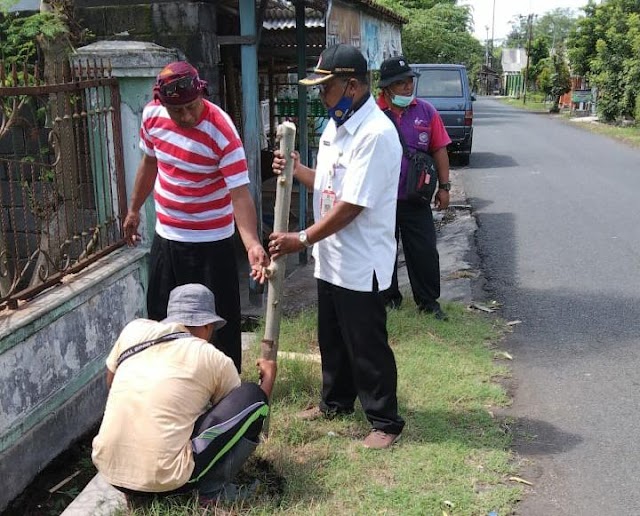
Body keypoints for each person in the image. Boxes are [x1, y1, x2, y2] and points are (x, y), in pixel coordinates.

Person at [270, 44, 405, 450]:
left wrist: (303, 237)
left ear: (351, 86)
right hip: (332, 255)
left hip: (361, 258)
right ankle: (335, 402)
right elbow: (331, 186)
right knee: (332, 336)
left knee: (366, 343)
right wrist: (297, 171)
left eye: (325, 88)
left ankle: (385, 421)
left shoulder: (376, 134)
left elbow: (353, 205)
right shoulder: (336, 126)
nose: (320, 96)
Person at [123, 61, 269, 372]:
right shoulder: (151, 116)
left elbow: (239, 195)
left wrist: (252, 244)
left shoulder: (221, 129)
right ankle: (169, 382)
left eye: (192, 106)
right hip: (168, 238)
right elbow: (150, 164)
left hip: (212, 244)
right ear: (163, 104)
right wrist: (134, 209)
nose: (187, 116)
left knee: (218, 324)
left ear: (201, 93)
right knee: (162, 319)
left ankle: (226, 393)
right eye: (178, 111)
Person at [92, 283, 277, 503]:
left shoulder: (134, 330)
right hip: (169, 479)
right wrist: (268, 380)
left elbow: (111, 381)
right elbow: (242, 419)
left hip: (110, 471)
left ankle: (136, 488)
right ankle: (212, 491)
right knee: (251, 396)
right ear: (208, 326)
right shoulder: (211, 357)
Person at [377, 56, 452, 320]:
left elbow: (439, 149)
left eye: (409, 81)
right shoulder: (372, 113)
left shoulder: (426, 112)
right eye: (400, 83)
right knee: (382, 250)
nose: (408, 87)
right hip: (380, 200)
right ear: (386, 88)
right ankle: (388, 300)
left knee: (424, 251)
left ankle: (428, 303)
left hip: (416, 198)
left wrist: (444, 187)